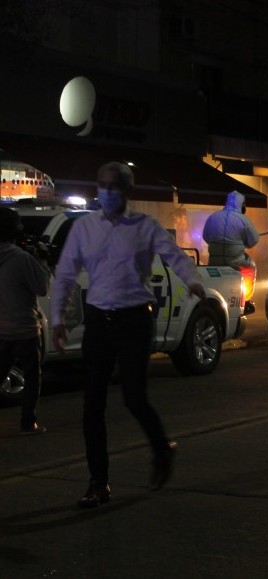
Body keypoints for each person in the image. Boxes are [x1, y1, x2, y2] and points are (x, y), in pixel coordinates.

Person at [51, 161, 206, 509]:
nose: (107, 192)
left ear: (127, 191)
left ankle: (161, 450)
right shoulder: (84, 228)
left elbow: (174, 256)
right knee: (92, 404)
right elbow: (64, 273)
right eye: (102, 185)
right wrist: (58, 316)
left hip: (135, 318)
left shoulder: (144, 226)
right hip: (98, 319)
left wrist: (192, 280)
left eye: (115, 186)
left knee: (134, 397)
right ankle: (98, 482)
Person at [0, 206, 49, 434]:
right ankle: (28, 422)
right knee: (32, 377)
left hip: (1, 328)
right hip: (25, 328)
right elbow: (41, 287)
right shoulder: (21, 258)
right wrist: (42, 260)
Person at [202, 190, 259, 268]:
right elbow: (254, 240)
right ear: (241, 204)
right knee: (252, 265)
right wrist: (244, 243)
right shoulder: (244, 219)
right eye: (244, 204)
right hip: (237, 262)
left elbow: (205, 236)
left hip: (215, 261)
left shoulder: (212, 217)